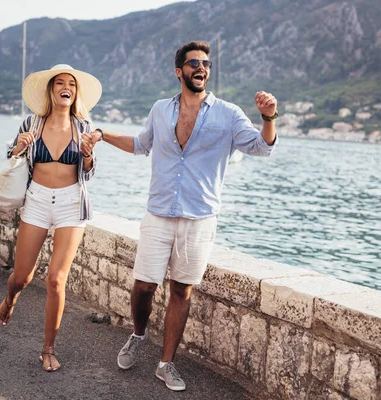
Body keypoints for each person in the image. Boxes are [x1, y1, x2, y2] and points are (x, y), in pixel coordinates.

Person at [81, 41, 278, 391]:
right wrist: (101, 134)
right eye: (193, 63)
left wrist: (268, 117)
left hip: (199, 218)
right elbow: (142, 144)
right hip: (159, 212)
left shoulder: (228, 114)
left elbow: (261, 147)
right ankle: (139, 335)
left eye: (206, 63)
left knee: (181, 291)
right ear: (179, 71)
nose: (201, 68)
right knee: (143, 287)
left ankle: (166, 363)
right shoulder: (160, 109)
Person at [0, 64, 102, 372]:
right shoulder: (32, 123)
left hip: (71, 203)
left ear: (75, 92)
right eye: (60, 83)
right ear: (51, 90)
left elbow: (89, 172)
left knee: (56, 279)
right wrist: (19, 147)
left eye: (71, 83)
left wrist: (87, 154)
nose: (65, 87)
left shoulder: (84, 126)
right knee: (23, 277)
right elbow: (11, 159)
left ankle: (48, 348)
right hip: (37, 201)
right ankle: (11, 298)